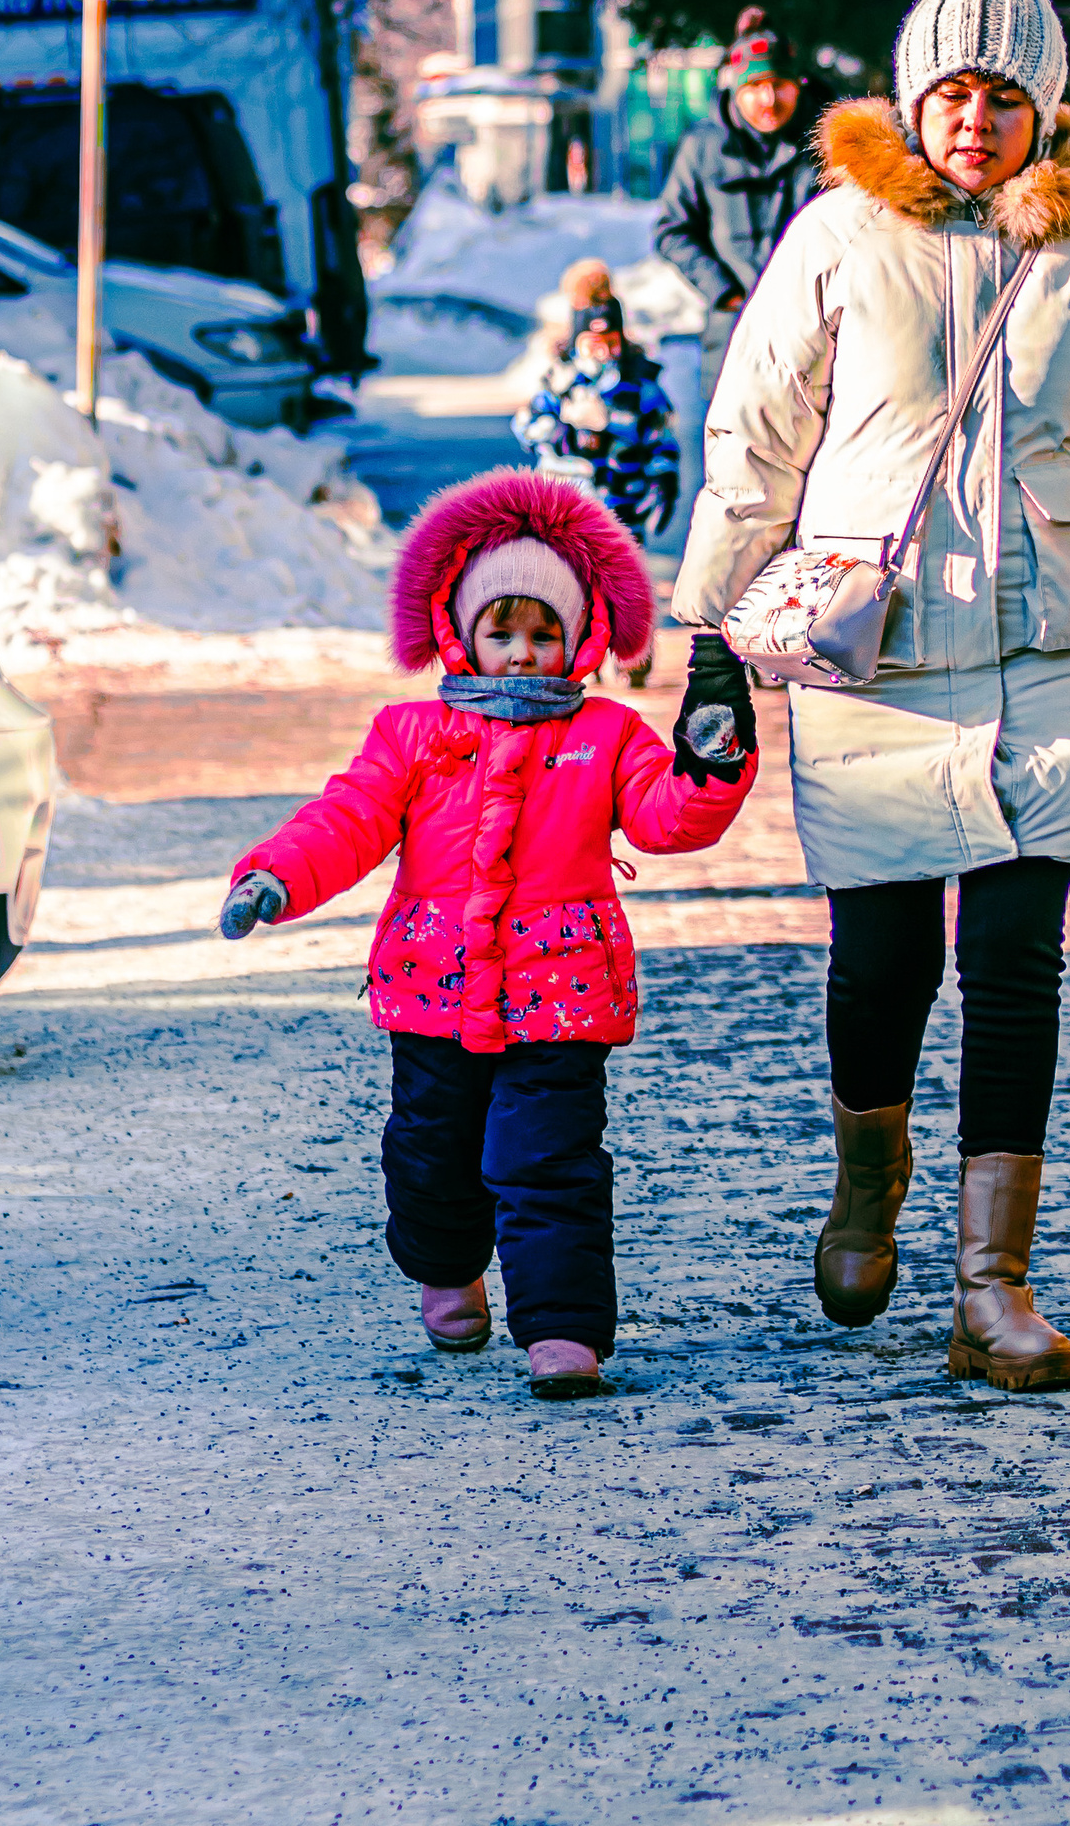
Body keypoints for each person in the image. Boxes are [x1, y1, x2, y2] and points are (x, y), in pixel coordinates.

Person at [670, 0, 1070, 1392]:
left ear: (1042, 108)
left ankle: (993, 1285)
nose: (974, 120)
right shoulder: (835, 238)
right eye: (951, 92)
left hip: (1049, 651)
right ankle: (869, 1180)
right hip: (879, 651)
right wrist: (711, 644)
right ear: (912, 99)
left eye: (1003, 95)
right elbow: (753, 445)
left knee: (1015, 962)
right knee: (884, 964)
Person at [216, 469, 755, 1401]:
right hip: (431, 987)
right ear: (461, 632)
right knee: (431, 1154)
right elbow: (348, 819)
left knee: (548, 1161)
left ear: (579, 638)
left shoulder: (605, 734)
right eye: (501, 632)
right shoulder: (412, 732)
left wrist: (711, 757)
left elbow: (668, 816)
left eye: (544, 635)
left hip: (562, 994)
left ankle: (562, 1328)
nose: (520, 654)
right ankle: (447, 1267)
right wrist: (276, 875)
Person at [652, 9, 832, 401]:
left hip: (816, 340)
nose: (768, 99)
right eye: (755, 86)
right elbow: (671, 230)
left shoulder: (828, 144)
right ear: (736, 88)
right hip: (732, 338)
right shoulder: (703, 146)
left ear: (798, 84)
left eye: (779, 84)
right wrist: (723, 291)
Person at [517, 261, 681, 548]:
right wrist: (557, 432)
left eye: (611, 342)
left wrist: (664, 482)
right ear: (577, 342)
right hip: (564, 508)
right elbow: (526, 426)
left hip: (623, 511)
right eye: (594, 343)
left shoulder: (641, 387)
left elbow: (660, 440)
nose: (603, 351)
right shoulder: (560, 382)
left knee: (618, 572)